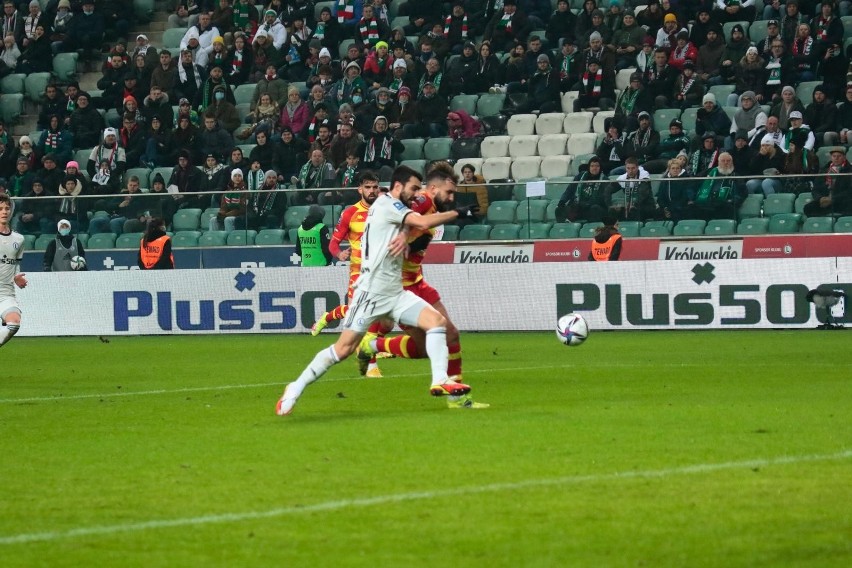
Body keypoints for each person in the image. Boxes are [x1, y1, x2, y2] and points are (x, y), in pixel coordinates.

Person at [276, 165, 480, 416]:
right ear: (397, 187)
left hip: (395, 292)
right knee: (343, 349)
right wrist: (458, 213)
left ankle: (440, 380)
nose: (418, 193)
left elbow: (415, 221)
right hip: (371, 294)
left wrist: (408, 236)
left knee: (437, 324)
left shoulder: (397, 206)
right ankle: (294, 388)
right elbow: (421, 220)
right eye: (414, 188)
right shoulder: (387, 204)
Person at [357, 162, 485, 408]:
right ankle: (371, 344)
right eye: (448, 192)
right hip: (400, 287)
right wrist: (405, 234)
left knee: (451, 335)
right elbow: (405, 215)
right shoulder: (424, 201)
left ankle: (457, 398)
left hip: (417, 281)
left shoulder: (433, 206)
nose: (451, 197)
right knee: (423, 349)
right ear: (434, 189)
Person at [311, 171, 381, 336]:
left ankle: (372, 348)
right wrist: (339, 254)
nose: (372, 190)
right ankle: (328, 317)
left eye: (375, 187)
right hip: (359, 270)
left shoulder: (385, 211)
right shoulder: (350, 213)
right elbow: (333, 243)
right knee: (355, 311)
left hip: (381, 269)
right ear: (360, 189)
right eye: (368, 187)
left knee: (381, 310)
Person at [0, 192, 26, 348]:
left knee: (14, 323)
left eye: (7, 208)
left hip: (5, 294)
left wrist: (17, 276)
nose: (4, 211)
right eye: (1, 208)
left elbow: (15, 263)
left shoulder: (19, 239)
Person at [804, 146, 852, 217]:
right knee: (808, 208)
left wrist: (832, 199)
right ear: (831, 157)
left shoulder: (849, 170)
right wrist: (820, 199)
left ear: (844, 157)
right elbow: (815, 189)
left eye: (839, 156)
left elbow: (849, 191)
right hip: (825, 201)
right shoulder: (824, 170)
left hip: (841, 201)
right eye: (834, 156)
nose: (836, 158)